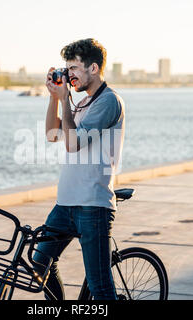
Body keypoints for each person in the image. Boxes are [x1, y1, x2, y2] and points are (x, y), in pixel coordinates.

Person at [33, 38, 125, 300]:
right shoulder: (82, 103)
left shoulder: (109, 101)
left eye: (74, 68)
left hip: (93, 206)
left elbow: (72, 144)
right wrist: (54, 97)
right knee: (39, 265)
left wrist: (65, 101)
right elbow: (52, 134)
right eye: (67, 68)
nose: (69, 74)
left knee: (101, 289)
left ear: (93, 68)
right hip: (65, 204)